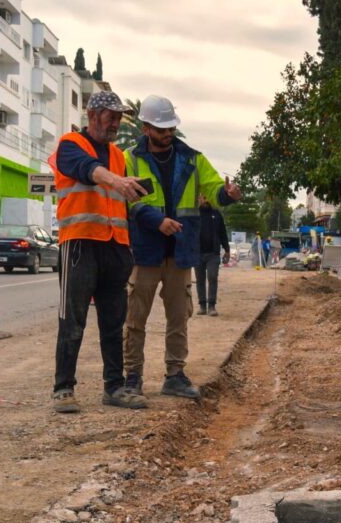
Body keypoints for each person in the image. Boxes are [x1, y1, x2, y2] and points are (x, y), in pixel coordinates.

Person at [122, 95, 241, 401]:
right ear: (146, 127)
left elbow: (214, 188)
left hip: (180, 251)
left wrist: (227, 195)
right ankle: (132, 376)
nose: (168, 134)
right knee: (136, 318)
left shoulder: (193, 158)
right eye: (161, 129)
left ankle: (174, 375)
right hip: (146, 249)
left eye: (171, 128)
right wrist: (157, 221)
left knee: (178, 317)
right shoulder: (129, 159)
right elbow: (128, 200)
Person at [48, 91, 149, 414]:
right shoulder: (69, 144)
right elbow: (86, 168)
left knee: (113, 320)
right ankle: (63, 388)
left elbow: (116, 196)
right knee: (72, 318)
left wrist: (126, 186)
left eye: (120, 117)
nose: (116, 123)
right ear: (92, 116)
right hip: (79, 243)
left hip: (114, 247)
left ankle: (114, 387)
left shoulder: (118, 157)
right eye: (111, 116)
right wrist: (116, 182)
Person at [196, 195, 230, 316]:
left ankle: (212, 306)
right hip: (198, 252)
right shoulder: (194, 214)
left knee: (212, 277)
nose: (204, 199)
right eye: (202, 197)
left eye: (206, 197)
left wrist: (227, 250)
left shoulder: (216, 214)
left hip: (213, 253)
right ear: (198, 198)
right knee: (200, 280)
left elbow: (223, 233)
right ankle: (202, 306)